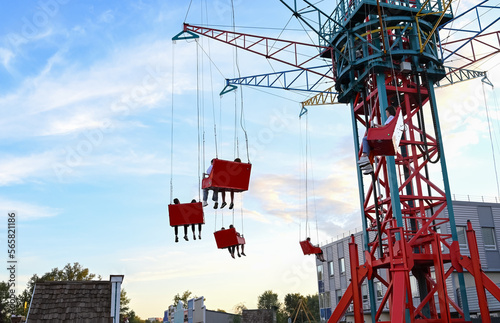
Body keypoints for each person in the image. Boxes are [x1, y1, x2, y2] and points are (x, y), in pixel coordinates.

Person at [357, 105, 397, 175]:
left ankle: (364, 155)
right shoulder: (394, 118)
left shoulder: (391, 117)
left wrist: (375, 125)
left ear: (389, 112)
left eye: (386, 112)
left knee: (365, 139)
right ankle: (368, 164)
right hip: (386, 136)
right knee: (371, 148)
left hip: (384, 136)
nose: (386, 114)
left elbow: (385, 127)